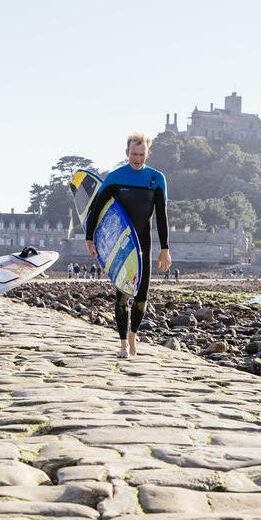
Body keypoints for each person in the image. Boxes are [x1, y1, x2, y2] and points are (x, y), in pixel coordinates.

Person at [85, 132, 171, 358]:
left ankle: (133, 338)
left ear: (148, 154)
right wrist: (89, 238)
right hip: (122, 243)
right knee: (123, 293)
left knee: (142, 296)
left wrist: (165, 249)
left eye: (142, 154)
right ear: (127, 153)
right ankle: (123, 344)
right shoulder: (115, 178)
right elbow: (96, 209)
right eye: (134, 154)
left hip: (144, 242)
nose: (138, 158)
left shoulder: (157, 178)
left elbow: (161, 216)